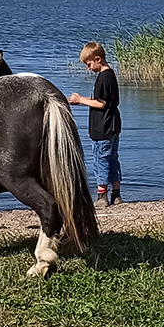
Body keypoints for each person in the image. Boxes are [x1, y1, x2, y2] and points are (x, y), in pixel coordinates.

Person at [67, 41, 122, 205]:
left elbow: (101, 103)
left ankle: (102, 196)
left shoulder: (104, 78)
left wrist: (81, 99)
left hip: (102, 128)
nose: (88, 68)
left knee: (100, 160)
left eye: (89, 64)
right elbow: (103, 100)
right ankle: (116, 195)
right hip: (113, 126)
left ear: (98, 59)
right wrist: (84, 101)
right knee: (113, 160)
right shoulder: (110, 75)